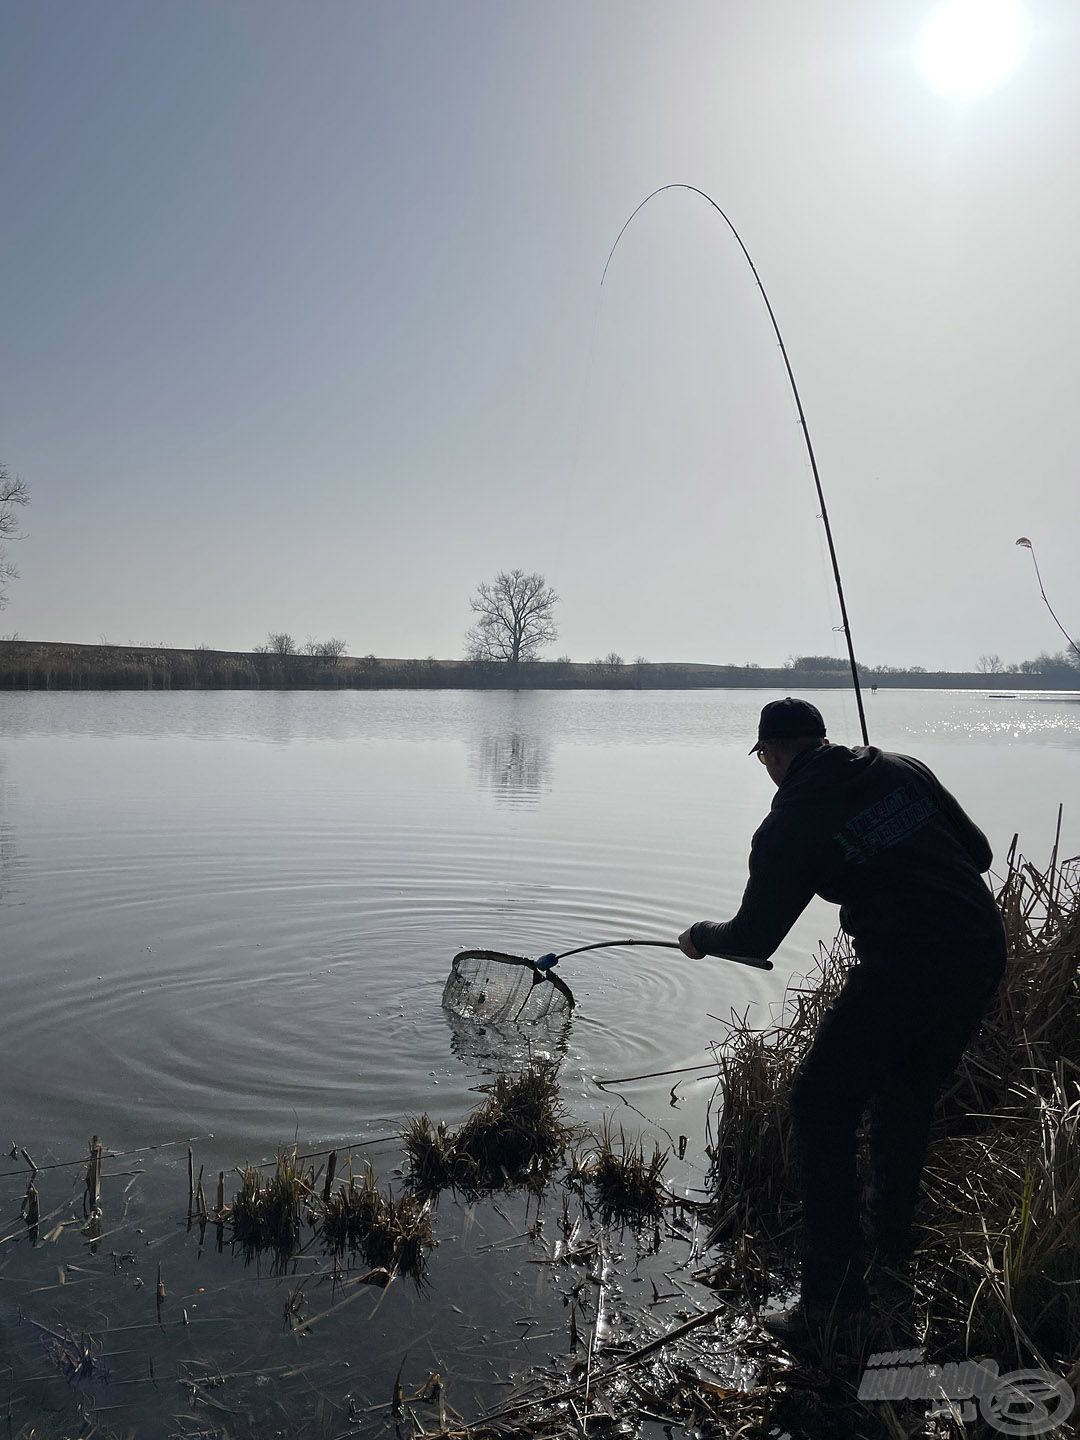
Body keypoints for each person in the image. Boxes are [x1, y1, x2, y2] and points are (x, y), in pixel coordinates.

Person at [678, 697, 1006, 1354]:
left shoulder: (790, 820)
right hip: (977, 950)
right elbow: (978, 853)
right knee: (903, 1099)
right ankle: (890, 1264)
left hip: (907, 963)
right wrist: (881, 848)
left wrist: (699, 937)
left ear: (771, 756)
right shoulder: (900, 768)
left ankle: (830, 1303)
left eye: (766, 758)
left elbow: (755, 935)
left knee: (819, 1105)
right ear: (821, 739)